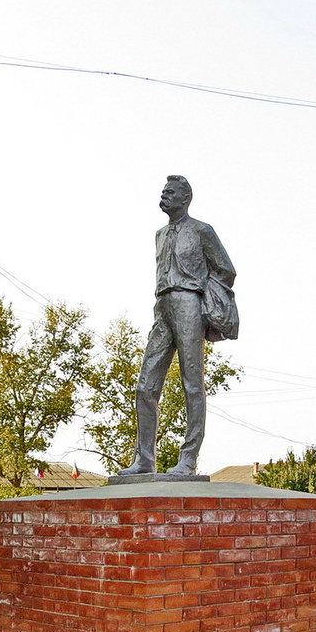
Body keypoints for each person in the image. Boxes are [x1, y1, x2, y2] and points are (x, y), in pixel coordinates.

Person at [120, 175, 236, 476]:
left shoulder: (201, 231)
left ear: (185, 199)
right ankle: (144, 459)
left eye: (170, 192)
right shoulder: (159, 234)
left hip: (189, 304)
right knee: (145, 385)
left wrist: (204, 298)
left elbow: (226, 270)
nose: (164, 196)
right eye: (163, 192)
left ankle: (189, 458)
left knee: (192, 384)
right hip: (163, 306)